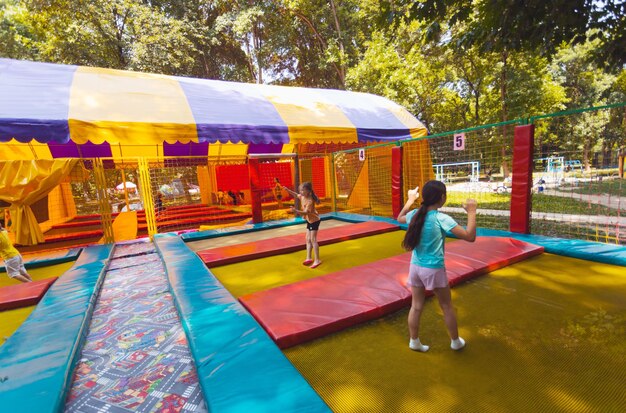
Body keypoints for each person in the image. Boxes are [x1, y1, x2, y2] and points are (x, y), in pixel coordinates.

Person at [397, 180, 477, 352]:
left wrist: (410, 200)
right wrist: (472, 212)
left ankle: (414, 341)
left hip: (415, 268)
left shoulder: (416, 214)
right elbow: (470, 236)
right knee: (446, 305)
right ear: (442, 198)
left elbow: (399, 217)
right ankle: (455, 341)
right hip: (433, 269)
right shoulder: (441, 218)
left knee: (416, 306)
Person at [284, 182, 322, 268]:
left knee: (313, 240)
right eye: (300, 190)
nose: (301, 192)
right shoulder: (303, 196)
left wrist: (296, 211)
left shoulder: (310, 201)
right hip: (309, 220)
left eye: (303, 190)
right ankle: (308, 257)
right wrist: (287, 190)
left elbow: (306, 212)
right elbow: (295, 194)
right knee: (307, 239)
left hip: (314, 221)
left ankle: (317, 260)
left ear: (308, 191)